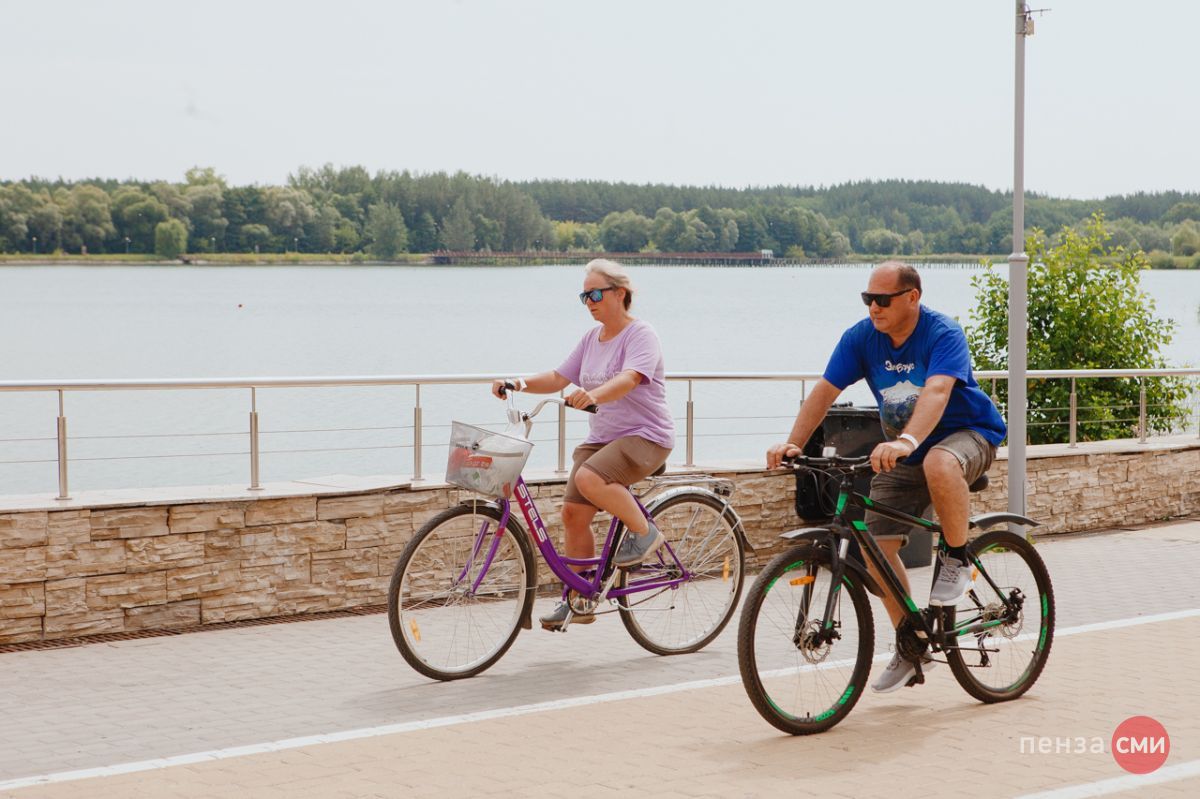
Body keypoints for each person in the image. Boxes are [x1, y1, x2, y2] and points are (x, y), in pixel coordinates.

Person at [766, 261, 1006, 693]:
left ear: (912, 297)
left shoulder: (942, 333)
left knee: (939, 462)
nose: (873, 307)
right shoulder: (862, 337)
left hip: (968, 435)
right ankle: (911, 643)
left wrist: (908, 440)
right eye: (867, 299)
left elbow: (937, 391)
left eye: (882, 299)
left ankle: (956, 558)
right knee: (874, 549)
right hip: (904, 451)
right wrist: (793, 443)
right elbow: (825, 390)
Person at [492, 258, 675, 630]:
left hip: (646, 436)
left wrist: (594, 395)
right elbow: (559, 377)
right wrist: (518, 383)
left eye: (595, 294)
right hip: (604, 439)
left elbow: (630, 378)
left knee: (590, 478)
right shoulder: (592, 339)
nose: (589, 302)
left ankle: (645, 532)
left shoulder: (641, 334)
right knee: (573, 514)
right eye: (584, 296)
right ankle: (580, 600)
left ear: (619, 293)